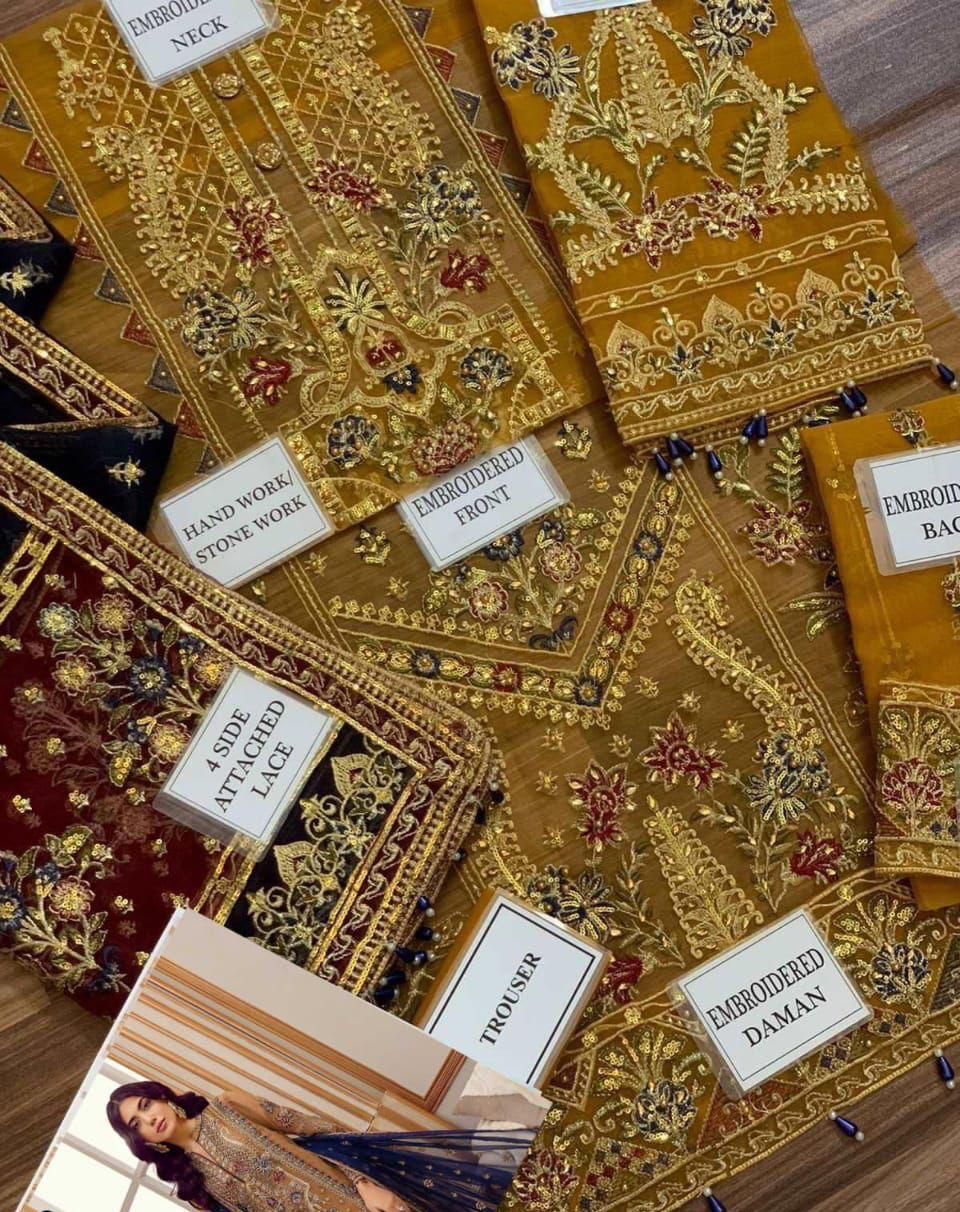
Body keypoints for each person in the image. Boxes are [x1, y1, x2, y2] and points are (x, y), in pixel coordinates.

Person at [107, 1080, 536, 1212]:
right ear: (141, 1140)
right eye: (136, 1124)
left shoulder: (226, 1107)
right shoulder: (191, 1188)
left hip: (356, 1201)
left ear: (162, 1098)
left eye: (146, 1105)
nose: (149, 1119)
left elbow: (316, 1129)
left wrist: (365, 1184)